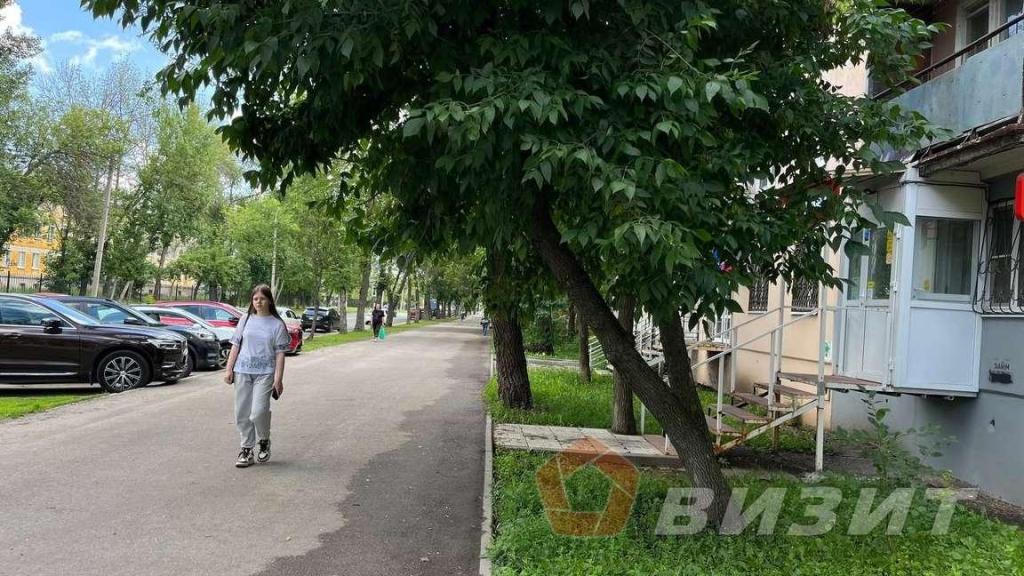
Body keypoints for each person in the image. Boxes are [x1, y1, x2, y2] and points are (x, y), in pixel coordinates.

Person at [224, 284, 291, 468]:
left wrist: (278, 379)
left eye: (262, 299)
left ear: (269, 300)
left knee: (258, 412)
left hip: (265, 373)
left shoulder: (277, 324)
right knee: (242, 412)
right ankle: (246, 449)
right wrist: (229, 369)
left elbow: (280, 354)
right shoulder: (245, 319)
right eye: (255, 299)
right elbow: (236, 345)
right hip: (242, 371)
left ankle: (264, 439)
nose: (258, 302)